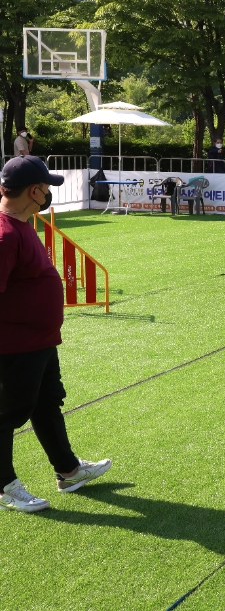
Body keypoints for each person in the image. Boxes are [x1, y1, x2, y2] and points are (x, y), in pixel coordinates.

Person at [0, 156, 112, 513]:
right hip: (15, 346)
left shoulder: (20, 223)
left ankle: (69, 471)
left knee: (47, 403)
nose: (48, 193)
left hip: (41, 341)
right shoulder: (4, 234)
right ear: (34, 191)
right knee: (7, 414)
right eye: (46, 187)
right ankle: (3, 486)